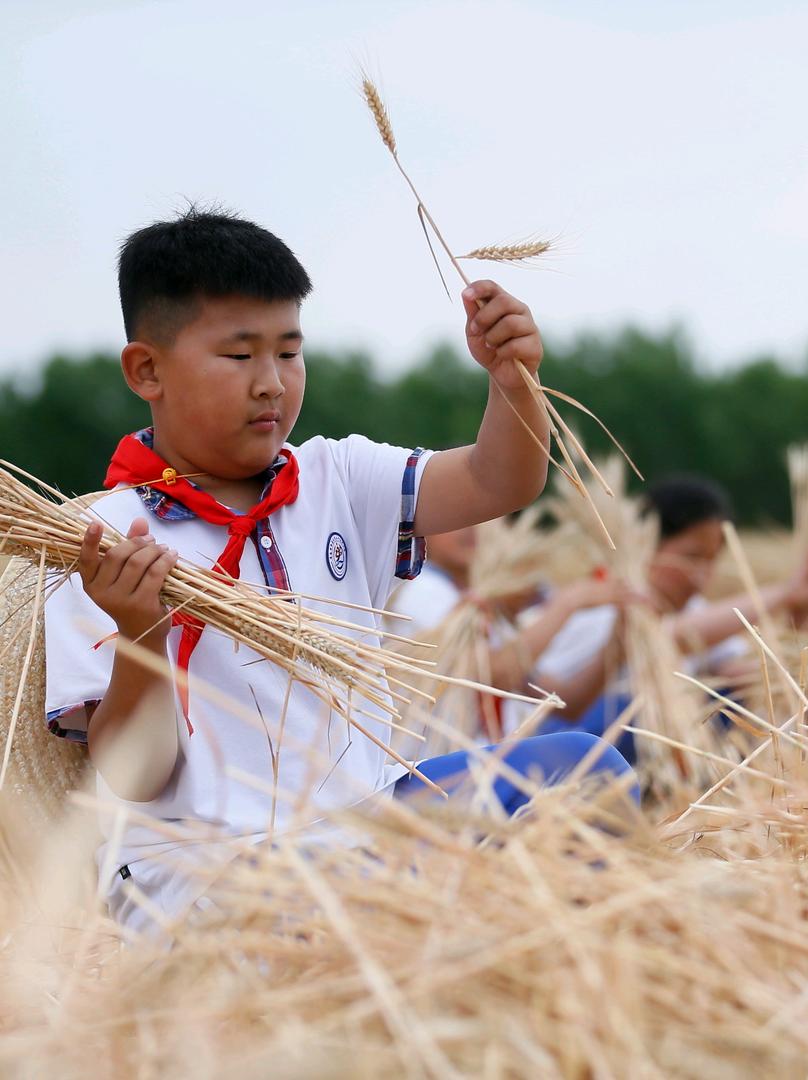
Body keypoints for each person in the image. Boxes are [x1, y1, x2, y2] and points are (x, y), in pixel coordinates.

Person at [42, 206, 636, 936]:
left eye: (289, 352)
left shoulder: (339, 477)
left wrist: (513, 383)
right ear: (147, 370)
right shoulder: (101, 541)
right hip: (217, 877)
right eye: (239, 356)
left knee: (585, 767)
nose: (272, 383)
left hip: (370, 827)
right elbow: (136, 775)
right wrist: (141, 634)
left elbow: (499, 481)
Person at [531, 475, 808, 763]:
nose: (701, 575)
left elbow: (745, 673)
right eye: (691, 557)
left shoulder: (695, 608)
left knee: (726, 698)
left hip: (639, 757)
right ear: (646, 545)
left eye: (711, 560)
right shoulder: (602, 605)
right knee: (648, 704)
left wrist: (803, 631)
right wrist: (785, 593)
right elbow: (671, 639)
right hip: (566, 752)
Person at [387, 524, 642, 749]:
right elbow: (498, 675)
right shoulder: (421, 590)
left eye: (476, 519)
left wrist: (617, 647)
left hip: (482, 759)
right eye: (452, 519)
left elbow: (563, 702)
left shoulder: (480, 608)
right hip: (431, 764)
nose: (469, 528)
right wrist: (568, 603)